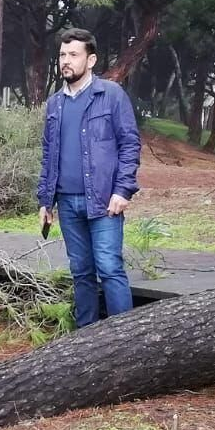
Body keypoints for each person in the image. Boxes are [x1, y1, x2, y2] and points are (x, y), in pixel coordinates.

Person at [36, 28, 142, 328]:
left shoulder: (110, 95)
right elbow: (48, 154)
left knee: (109, 267)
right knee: (81, 271)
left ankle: (125, 338)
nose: (65, 61)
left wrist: (123, 190)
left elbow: (130, 144)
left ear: (91, 59)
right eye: (62, 55)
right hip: (67, 203)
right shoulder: (55, 103)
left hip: (104, 201)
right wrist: (45, 200)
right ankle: (85, 339)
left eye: (73, 55)